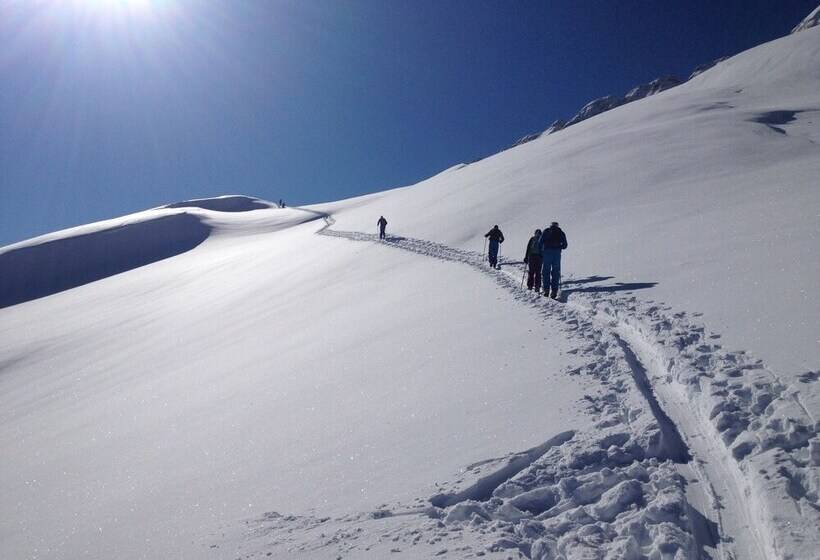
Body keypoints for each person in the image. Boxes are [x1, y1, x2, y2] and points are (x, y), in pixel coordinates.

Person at [539, 221, 568, 298]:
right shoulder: (561, 232)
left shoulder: (546, 231)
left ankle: (546, 290)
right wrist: (559, 247)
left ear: (550, 225)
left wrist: (542, 250)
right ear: (557, 226)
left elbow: (540, 242)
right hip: (557, 254)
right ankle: (554, 291)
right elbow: (565, 245)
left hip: (547, 253)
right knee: (555, 271)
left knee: (546, 271)